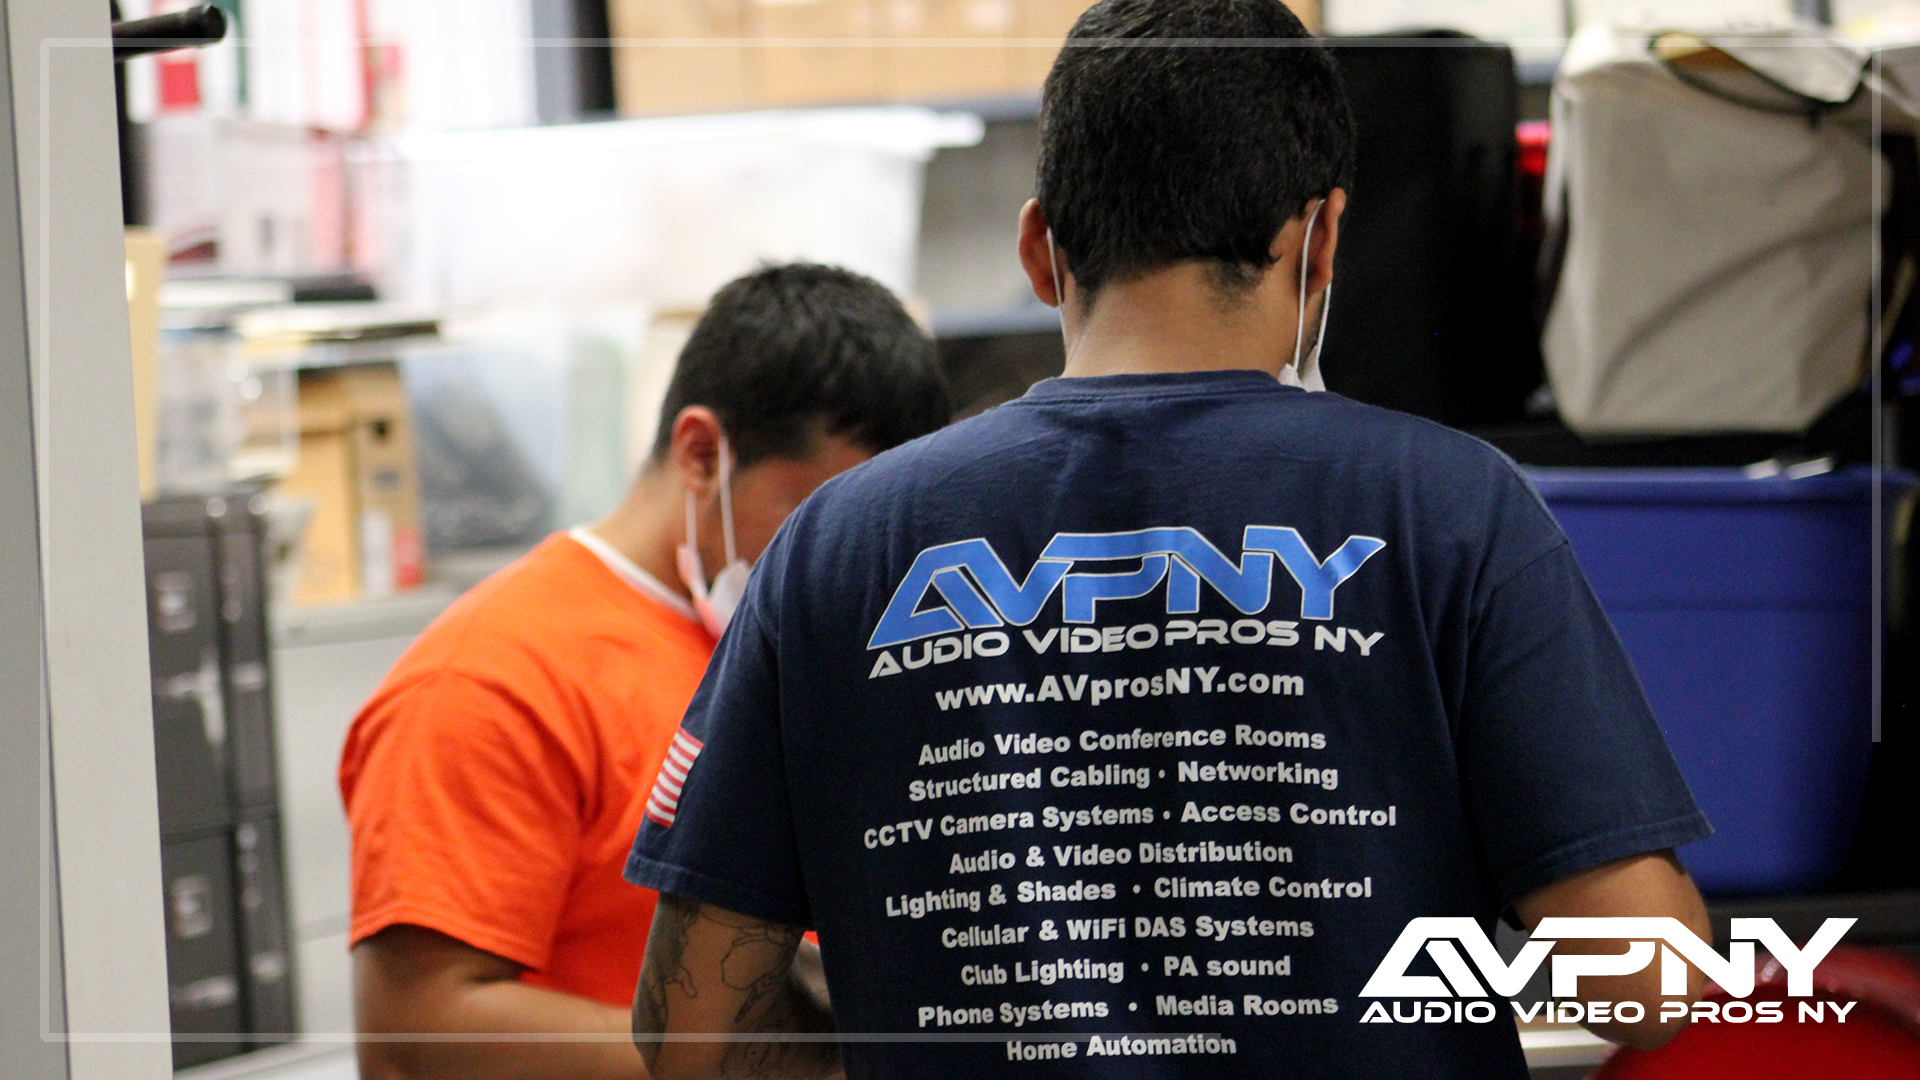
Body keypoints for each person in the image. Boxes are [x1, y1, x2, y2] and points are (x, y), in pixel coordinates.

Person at [622, 2, 1718, 1078]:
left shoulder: (837, 547)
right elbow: (1648, 981)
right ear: (1322, 241)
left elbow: (690, 1035)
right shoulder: (1449, 507)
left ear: (1040, 248)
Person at [340, 263, 950, 1080]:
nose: (841, 557)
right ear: (700, 454)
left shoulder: (792, 652)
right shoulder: (490, 679)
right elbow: (415, 1027)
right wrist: (767, 1062)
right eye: (817, 516)